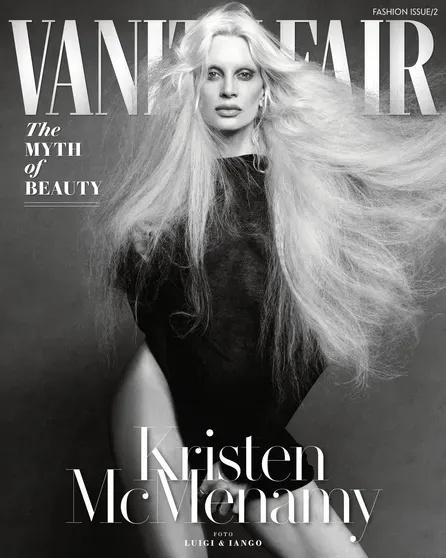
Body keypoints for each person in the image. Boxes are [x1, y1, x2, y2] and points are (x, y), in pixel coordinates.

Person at [93, 3, 446, 557]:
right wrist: (146, 250)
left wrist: (236, 456)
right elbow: (168, 333)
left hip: (246, 425)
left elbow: (307, 344)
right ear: (194, 90)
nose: (228, 89)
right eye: (213, 74)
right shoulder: (170, 203)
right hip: (161, 400)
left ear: (265, 89)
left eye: (244, 74)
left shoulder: (306, 196)